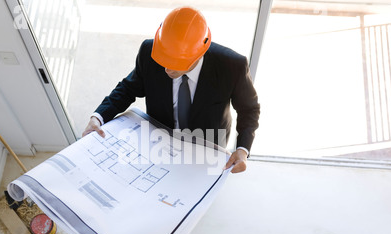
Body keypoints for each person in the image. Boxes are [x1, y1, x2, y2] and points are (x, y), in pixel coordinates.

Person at [82, 6, 260, 173]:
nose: (167, 69)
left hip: (206, 147)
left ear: (199, 53)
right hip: (159, 144)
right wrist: (98, 116)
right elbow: (127, 89)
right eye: (164, 60)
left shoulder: (232, 66)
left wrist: (242, 149)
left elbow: (249, 109)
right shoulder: (148, 52)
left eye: (176, 64)